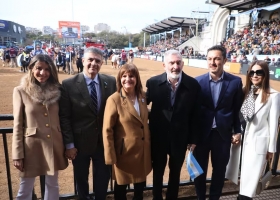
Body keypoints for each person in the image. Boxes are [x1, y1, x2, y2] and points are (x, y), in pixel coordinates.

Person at [59, 47, 116, 200]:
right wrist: (69, 145)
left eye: (97, 61)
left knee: (103, 178)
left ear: (102, 63)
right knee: (81, 179)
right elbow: (64, 117)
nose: (93, 63)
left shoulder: (110, 82)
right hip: (79, 144)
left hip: (103, 142)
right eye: (90, 60)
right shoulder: (68, 84)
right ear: (83, 61)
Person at [146, 49, 201, 200]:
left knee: (175, 172)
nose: (175, 66)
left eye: (178, 63)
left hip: (180, 137)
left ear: (183, 64)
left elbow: (196, 114)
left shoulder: (193, 84)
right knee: (158, 171)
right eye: (171, 63)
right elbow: (141, 106)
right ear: (164, 65)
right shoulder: (153, 83)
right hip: (158, 137)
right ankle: (157, 197)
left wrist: (194, 139)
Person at [12, 54, 68, 200]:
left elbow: (63, 118)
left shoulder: (58, 90)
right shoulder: (20, 91)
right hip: (31, 146)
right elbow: (17, 125)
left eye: (47, 69)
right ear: (31, 68)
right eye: (39, 68)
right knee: (25, 188)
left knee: (53, 185)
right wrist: (17, 154)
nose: (43, 73)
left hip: (53, 144)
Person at [193, 45, 243, 200]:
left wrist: (237, 130)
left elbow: (237, 109)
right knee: (199, 171)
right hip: (201, 135)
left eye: (216, 59)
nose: (212, 62)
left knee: (219, 171)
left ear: (224, 60)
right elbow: (193, 113)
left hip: (222, 135)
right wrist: (191, 137)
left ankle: (214, 198)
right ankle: (201, 197)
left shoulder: (235, 82)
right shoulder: (197, 82)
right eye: (209, 59)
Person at [103, 63, 152, 200]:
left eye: (131, 76)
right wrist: (110, 155)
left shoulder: (142, 96)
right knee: (121, 188)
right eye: (124, 76)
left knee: (139, 189)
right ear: (119, 79)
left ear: (137, 78)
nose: (128, 79)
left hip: (142, 151)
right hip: (123, 153)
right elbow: (107, 130)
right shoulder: (114, 99)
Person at [238, 60, 280, 200]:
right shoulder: (245, 91)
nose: (254, 75)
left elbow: (273, 124)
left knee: (249, 187)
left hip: (258, 146)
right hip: (241, 144)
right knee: (242, 180)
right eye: (252, 72)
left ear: (265, 74)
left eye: (259, 72)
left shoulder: (273, 95)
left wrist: (271, 149)